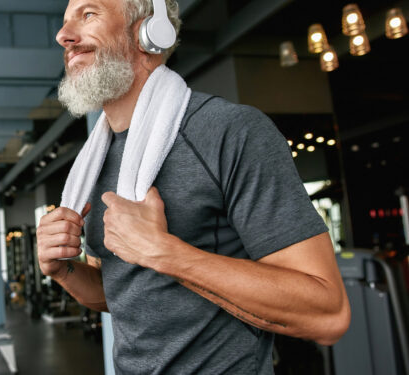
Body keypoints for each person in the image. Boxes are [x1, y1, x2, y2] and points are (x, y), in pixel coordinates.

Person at [36, 0, 351, 374]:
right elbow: (123, 292)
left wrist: (166, 253)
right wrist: (63, 271)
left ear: (149, 33)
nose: (63, 35)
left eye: (88, 15)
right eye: (66, 20)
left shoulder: (230, 132)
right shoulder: (92, 163)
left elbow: (328, 314)